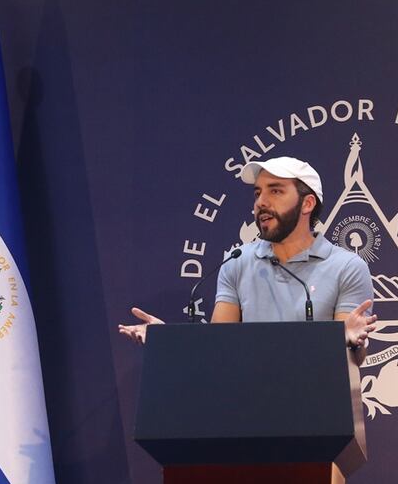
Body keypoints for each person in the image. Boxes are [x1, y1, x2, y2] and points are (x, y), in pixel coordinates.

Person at [118, 156, 377, 364]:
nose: (261, 202)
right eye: (257, 193)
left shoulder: (347, 267)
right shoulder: (237, 262)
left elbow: (352, 358)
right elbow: (218, 347)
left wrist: (349, 341)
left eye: (275, 191)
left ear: (307, 203)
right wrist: (166, 341)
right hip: (248, 404)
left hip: (320, 406)